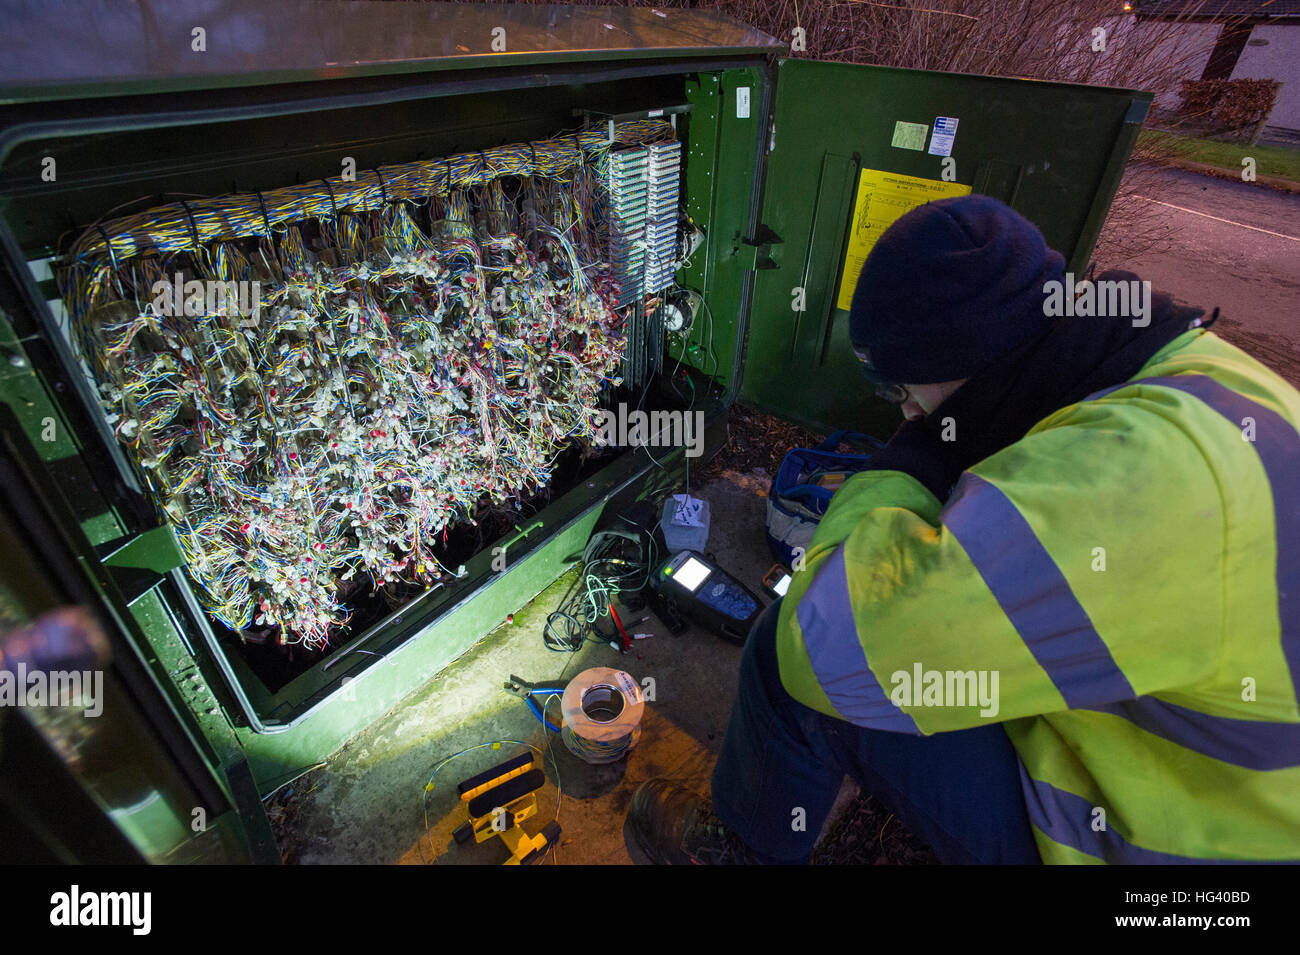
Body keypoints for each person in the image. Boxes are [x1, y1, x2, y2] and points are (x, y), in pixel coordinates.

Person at [627, 194, 1300, 864]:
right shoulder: (1182, 370)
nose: (906, 408)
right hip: (1191, 773)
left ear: (974, 360)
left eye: (904, 390)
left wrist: (908, 460)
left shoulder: (1131, 476)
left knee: (789, 648)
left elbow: (829, 642)